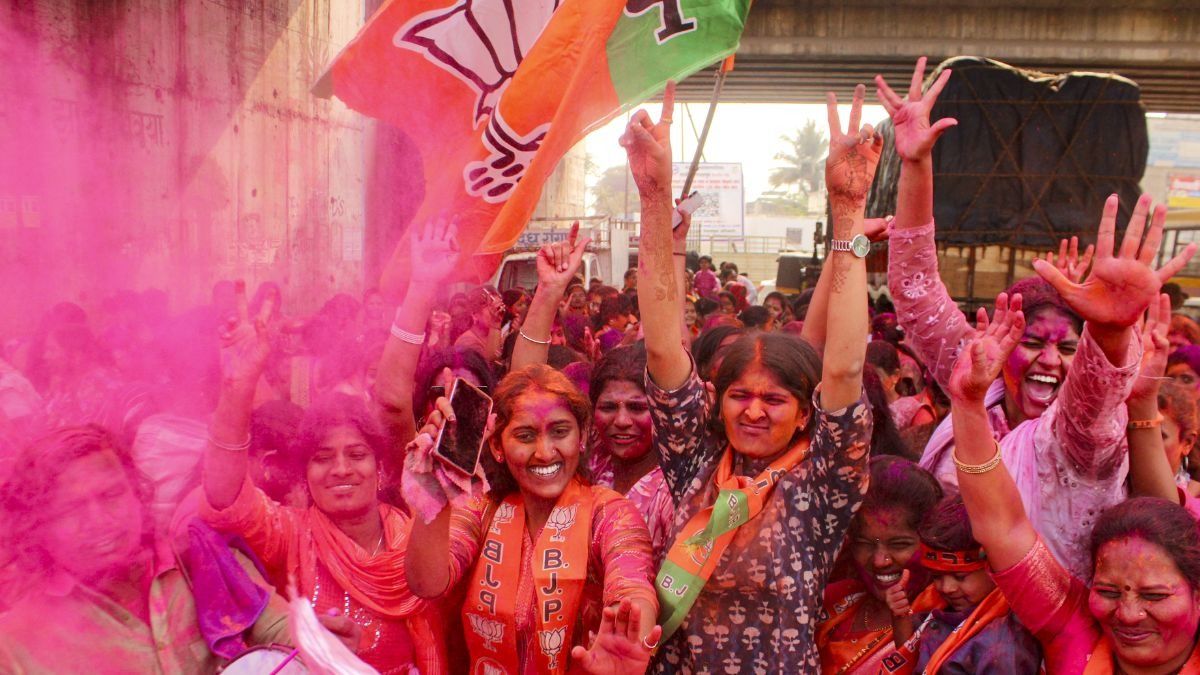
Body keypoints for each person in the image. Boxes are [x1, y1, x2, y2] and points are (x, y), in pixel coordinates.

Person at [880, 58, 1195, 578]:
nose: (1048, 360)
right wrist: (915, 165)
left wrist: (1112, 332)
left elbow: (1094, 397)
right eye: (1032, 343)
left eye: (1069, 348)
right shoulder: (980, 382)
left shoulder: (1082, 437)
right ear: (1005, 343)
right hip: (944, 616)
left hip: (1046, 638)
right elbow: (915, 292)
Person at [625, 81, 876, 672]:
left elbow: (842, 366)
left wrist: (849, 214)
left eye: (775, 399)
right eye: (740, 395)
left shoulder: (822, 483)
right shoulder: (697, 465)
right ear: (717, 400)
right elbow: (663, 346)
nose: (754, 411)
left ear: (807, 413)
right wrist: (655, 198)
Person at [948, 292, 1200, 674]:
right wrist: (967, 404)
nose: (1128, 615)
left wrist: (1109, 336)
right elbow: (1003, 528)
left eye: (1155, 595)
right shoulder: (1077, 632)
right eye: (1108, 592)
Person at [200, 288, 444, 674]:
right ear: (305, 475)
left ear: (380, 470)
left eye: (357, 455)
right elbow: (223, 496)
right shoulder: (291, 535)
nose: (341, 469)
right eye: (322, 458)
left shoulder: (415, 541)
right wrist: (237, 387)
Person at [405, 364, 659, 675]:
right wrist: (434, 490)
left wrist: (630, 633)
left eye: (560, 432)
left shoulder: (608, 513)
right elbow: (426, 583)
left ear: (582, 436)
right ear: (498, 446)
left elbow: (633, 586)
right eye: (526, 436)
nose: (544, 452)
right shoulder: (482, 510)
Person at [0, 425, 310, 672]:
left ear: (137, 494)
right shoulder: (15, 644)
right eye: (70, 509)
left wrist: (322, 641)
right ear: (38, 527)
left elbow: (282, 632)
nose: (98, 520)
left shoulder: (201, 558)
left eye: (111, 495)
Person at [816, 456, 944, 674]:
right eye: (864, 543)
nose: (879, 561)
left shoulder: (944, 621)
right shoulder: (831, 604)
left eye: (899, 545)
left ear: (932, 542)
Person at [887, 495, 1042, 674]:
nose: (946, 587)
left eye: (960, 577)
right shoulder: (938, 605)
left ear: (993, 566)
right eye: (937, 576)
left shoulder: (1001, 646)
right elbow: (910, 661)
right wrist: (900, 618)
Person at [455, 286, 505, 363]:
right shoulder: (466, 342)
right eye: (492, 308)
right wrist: (495, 324)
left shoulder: (495, 336)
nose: (497, 313)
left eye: (498, 308)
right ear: (474, 314)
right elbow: (489, 363)